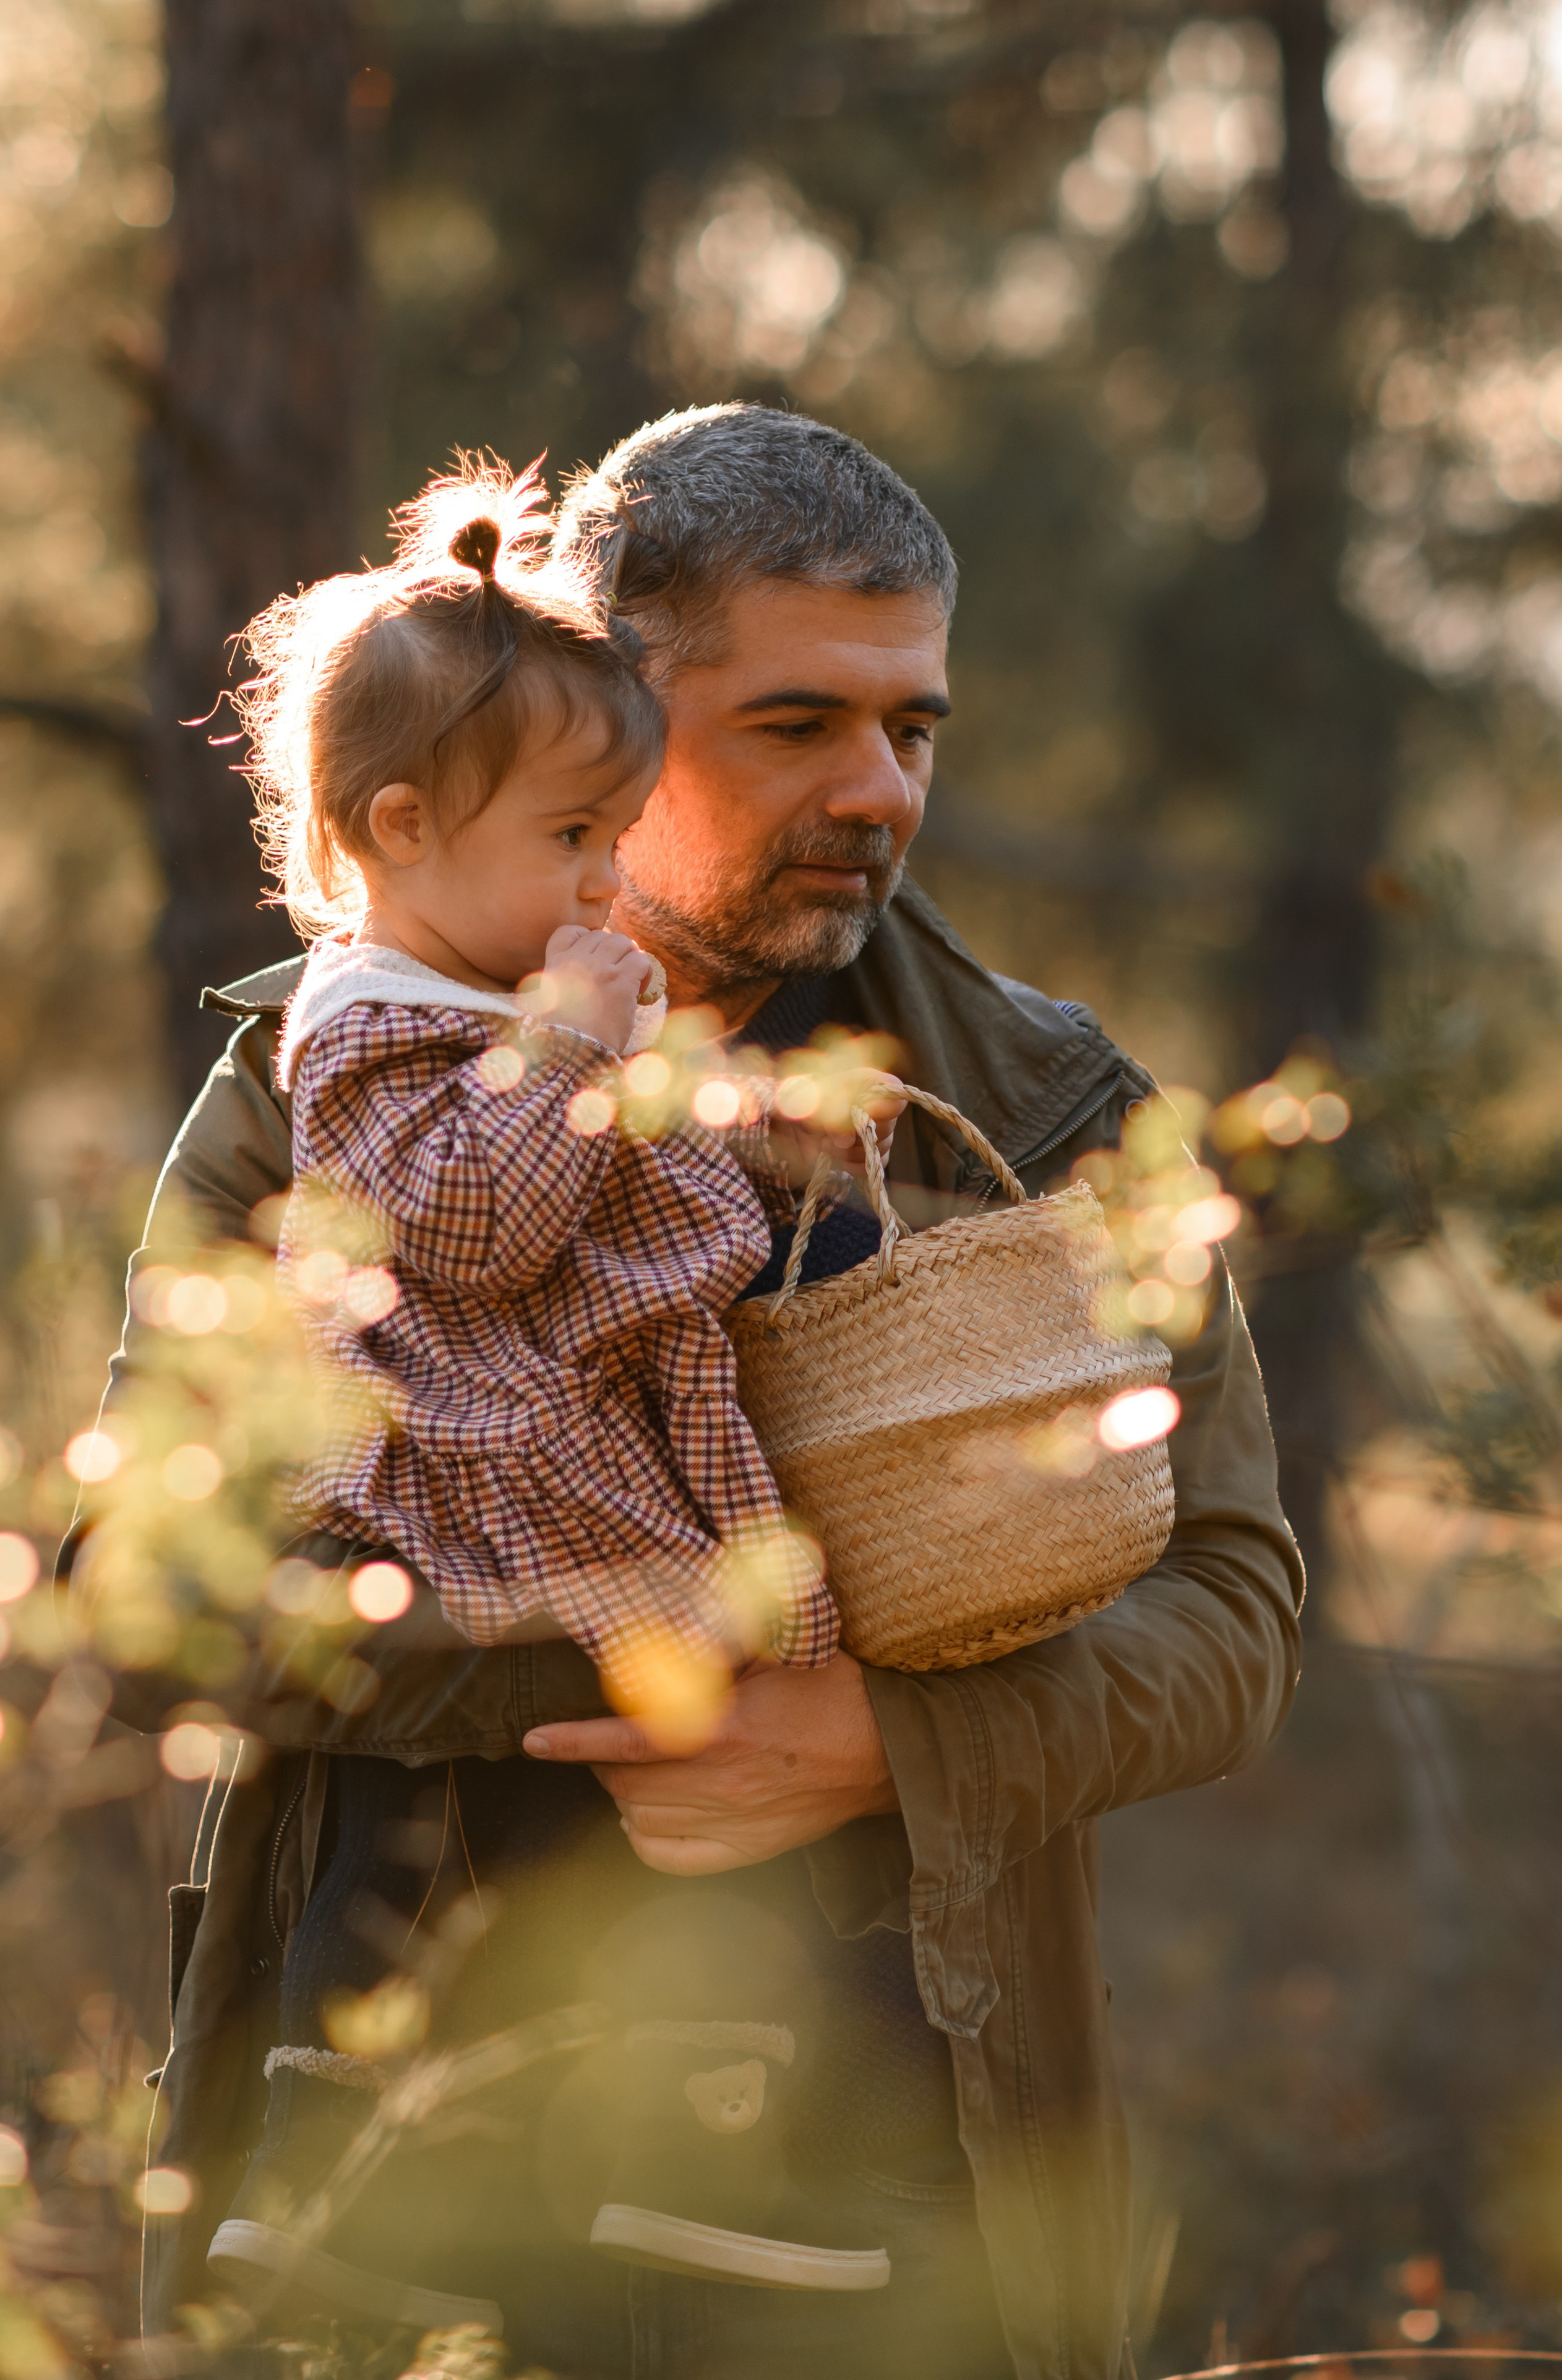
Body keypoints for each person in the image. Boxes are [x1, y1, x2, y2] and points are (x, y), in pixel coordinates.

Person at [127, 403, 1303, 2380]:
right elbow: (155, 1582)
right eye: (796, 724)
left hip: (900, 2211)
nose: (877, 789)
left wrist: (885, 1741)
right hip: (397, 2189)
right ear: (603, 710)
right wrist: (626, 1648)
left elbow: (1237, 1612)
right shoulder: (327, 1082)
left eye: (912, 728)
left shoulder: (1042, 1110)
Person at [208, 456, 898, 2305]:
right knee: (471, 1833)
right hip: (495, 1466)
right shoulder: (370, 1027)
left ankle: (685, 2147)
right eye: (575, 839)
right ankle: (349, 2175)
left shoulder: (500, 1004)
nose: (607, 881)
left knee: (665, 1798)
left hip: (578, 1448)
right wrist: (579, 1042)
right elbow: (472, 1227)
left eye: (616, 833)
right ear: (403, 825)